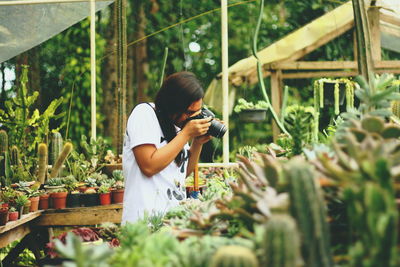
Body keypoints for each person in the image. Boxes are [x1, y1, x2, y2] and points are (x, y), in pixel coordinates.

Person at [122, 71, 213, 223]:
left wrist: (197, 142)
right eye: (190, 112)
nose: (192, 118)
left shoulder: (177, 125)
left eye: (196, 112)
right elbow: (149, 166)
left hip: (172, 221)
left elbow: (181, 173)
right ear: (173, 104)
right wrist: (186, 134)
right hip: (144, 223)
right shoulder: (144, 113)